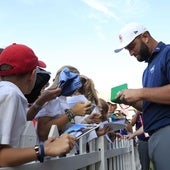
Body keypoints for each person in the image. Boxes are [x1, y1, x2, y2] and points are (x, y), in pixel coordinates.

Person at [0, 43, 76, 167]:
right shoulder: (10, 94)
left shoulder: (7, 91)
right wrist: (43, 149)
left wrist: (42, 100)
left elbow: (22, 119)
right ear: (33, 74)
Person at [114, 22, 170, 170]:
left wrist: (139, 92)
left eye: (131, 46)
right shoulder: (146, 71)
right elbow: (149, 106)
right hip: (153, 135)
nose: (130, 53)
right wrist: (132, 102)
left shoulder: (167, 53)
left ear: (145, 36)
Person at [36, 66, 92, 141]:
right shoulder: (52, 98)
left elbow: (65, 125)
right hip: (50, 149)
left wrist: (86, 120)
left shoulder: (63, 99)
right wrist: (73, 112)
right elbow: (42, 132)